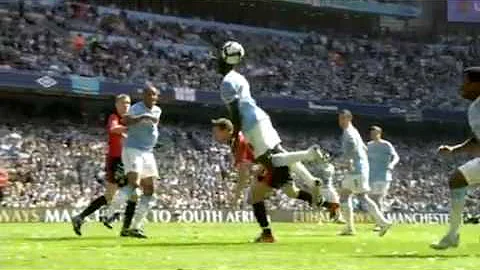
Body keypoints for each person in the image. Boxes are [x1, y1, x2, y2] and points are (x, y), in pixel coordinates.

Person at [217, 41, 326, 242]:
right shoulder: (240, 77)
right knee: (277, 154)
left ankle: (308, 155)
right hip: (262, 118)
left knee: (270, 161)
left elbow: (235, 111)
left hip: (251, 124)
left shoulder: (226, 83)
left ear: (224, 59)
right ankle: (311, 181)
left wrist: (235, 134)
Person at [71, 94, 137, 236]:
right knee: (133, 194)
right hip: (117, 161)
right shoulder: (114, 117)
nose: (126, 105)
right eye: (123, 103)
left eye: (128, 103)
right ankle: (125, 229)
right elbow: (113, 129)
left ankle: (80, 217)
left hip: (125, 161)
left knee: (109, 196)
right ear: (117, 105)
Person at [431, 67, 480, 249]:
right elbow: (477, 138)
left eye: (467, 82)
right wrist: (455, 149)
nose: (463, 86)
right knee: (457, 180)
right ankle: (452, 235)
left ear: (477, 84)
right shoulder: (474, 107)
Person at [107, 84, 162, 238]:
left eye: (154, 95)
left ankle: (136, 226)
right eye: (148, 94)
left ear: (157, 97)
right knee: (134, 183)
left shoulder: (158, 110)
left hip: (148, 151)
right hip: (133, 148)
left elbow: (153, 125)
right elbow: (125, 120)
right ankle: (110, 212)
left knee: (150, 189)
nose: (151, 97)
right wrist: (142, 117)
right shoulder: (136, 108)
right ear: (143, 96)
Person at [336, 110, 391, 236]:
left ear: (349, 118)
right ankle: (352, 227)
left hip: (356, 169)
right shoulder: (354, 131)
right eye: (340, 119)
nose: (341, 121)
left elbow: (353, 146)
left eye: (343, 118)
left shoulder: (349, 133)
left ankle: (381, 222)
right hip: (360, 167)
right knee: (347, 194)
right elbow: (363, 148)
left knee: (358, 196)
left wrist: (349, 161)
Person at [367, 125, 399, 230]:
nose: (373, 135)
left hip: (383, 176)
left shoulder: (386, 145)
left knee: (377, 198)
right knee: (372, 199)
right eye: (371, 133)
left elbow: (396, 157)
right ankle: (380, 221)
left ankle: (380, 223)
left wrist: (392, 165)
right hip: (371, 176)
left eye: (375, 133)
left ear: (379, 134)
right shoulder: (369, 145)